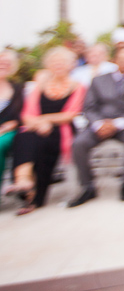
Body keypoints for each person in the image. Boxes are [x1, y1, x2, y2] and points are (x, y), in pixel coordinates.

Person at [69, 46, 124, 206]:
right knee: (78, 143)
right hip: (99, 123)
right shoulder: (98, 80)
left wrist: (117, 123)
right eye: (123, 59)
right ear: (114, 60)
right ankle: (88, 187)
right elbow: (89, 107)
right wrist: (99, 124)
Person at [9, 47, 86, 215]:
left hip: (61, 129)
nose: (57, 65)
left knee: (43, 143)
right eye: (54, 62)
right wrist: (38, 123)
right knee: (23, 136)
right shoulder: (40, 86)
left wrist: (46, 120)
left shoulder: (77, 87)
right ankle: (24, 181)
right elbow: (27, 113)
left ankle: (34, 197)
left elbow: (71, 114)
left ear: (69, 65)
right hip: (35, 127)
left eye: (62, 62)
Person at [0, 50, 25, 190]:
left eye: (6, 63)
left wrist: (4, 128)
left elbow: (20, 115)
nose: (2, 65)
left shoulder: (18, 88)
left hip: (9, 130)